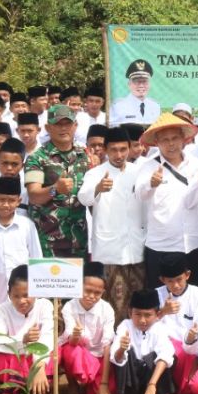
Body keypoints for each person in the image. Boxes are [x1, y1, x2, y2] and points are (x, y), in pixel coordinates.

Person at [78, 127, 145, 321]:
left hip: (136, 246)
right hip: (110, 250)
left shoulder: (138, 171)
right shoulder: (95, 173)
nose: (119, 155)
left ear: (130, 148)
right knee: (115, 303)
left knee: (137, 300)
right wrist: (98, 188)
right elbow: (84, 197)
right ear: (105, 150)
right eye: (113, 150)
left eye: (123, 149)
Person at [133, 112, 198, 287]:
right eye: (165, 140)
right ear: (157, 143)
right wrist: (151, 184)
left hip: (193, 243)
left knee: (192, 297)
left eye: (175, 138)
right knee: (160, 298)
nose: (171, 144)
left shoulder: (196, 165)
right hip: (161, 245)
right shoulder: (148, 166)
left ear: (183, 139)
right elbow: (139, 195)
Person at [24, 105, 90, 259]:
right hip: (48, 240)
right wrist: (55, 189)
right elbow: (34, 196)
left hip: (78, 239)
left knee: (79, 282)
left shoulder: (85, 156)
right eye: (58, 124)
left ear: (75, 126)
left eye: (67, 124)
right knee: (49, 283)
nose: (63, 128)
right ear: (48, 127)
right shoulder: (36, 158)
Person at [0, 264, 54, 394]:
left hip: (38, 357)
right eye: (16, 296)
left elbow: (48, 337)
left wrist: (39, 365)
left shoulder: (45, 306)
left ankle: (37, 387)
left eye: (26, 295)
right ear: (9, 294)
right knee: (4, 359)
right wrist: (22, 341)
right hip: (13, 354)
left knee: (51, 354)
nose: (21, 301)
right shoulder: (1, 310)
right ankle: (13, 389)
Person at [105, 288, 176, 394]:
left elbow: (165, 355)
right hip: (133, 378)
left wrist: (152, 384)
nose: (142, 320)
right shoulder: (125, 326)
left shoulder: (160, 328)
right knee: (125, 354)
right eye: (137, 314)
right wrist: (121, 349)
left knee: (165, 358)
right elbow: (116, 358)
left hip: (151, 377)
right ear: (130, 313)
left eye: (148, 315)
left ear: (157, 314)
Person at [58, 261, 116, 394]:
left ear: (103, 291)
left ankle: (89, 385)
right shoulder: (70, 306)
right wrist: (75, 336)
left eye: (97, 293)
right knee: (69, 350)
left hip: (99, 357)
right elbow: (70, 341)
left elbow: (107, 345)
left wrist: (103, 384)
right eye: (87, 290)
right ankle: (73, 385)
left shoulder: (107, 309)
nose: (91, 296)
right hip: (79, 353)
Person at [155, 253, 198, 394]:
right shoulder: (156, 294)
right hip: (165, 344)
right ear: (162, 280)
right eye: (170, 281)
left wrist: (190, 340)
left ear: (187, 275)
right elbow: (146, 326)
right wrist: (163, 312)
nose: (176, 285)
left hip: (190, 345)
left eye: (179, 279)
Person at [110, 59, 160, 125]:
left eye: (144, 81)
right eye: (137, 81)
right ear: (129, 84)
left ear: (149, 84)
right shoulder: (118, 107)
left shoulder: (155, 106)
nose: (141, 85)